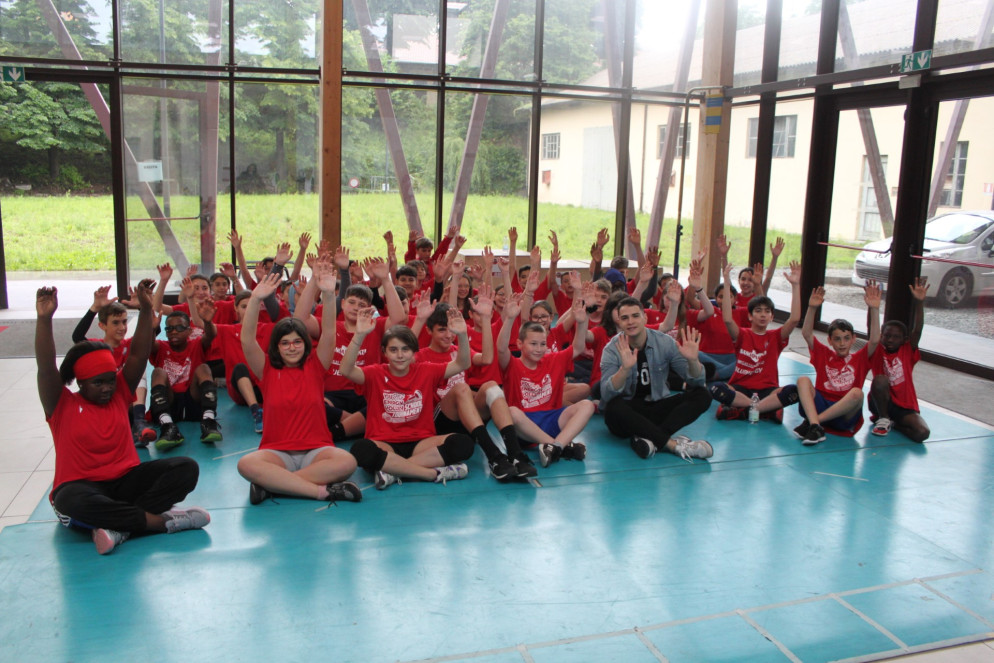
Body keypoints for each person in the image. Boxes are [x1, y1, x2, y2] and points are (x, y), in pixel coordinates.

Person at [36, 281, 209, 555]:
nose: (107, 388)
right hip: (83, 487)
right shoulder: (61, 404)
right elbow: (46, 367)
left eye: (110, 380)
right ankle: (160, 523)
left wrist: (145, 309)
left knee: (186, 468)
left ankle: (119, 527)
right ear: (81, 383)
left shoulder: (119, 393)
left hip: (125, 482)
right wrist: (44, 319)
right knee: (67, 499)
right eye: (98, 383)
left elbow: (139, 353)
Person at [236, 268, 362, 505]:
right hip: (277, 452)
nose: (292, 347)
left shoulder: (316, 365)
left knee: (347, 462)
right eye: (285, 343)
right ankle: (321, 492)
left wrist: (328, 295)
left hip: (316, 450)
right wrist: (255, 299)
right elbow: (247, 339)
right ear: (277, 347)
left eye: (297, 342)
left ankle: (274, 485)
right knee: (246, 464)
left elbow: (329, 333)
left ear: (305, 344)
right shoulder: (266, 369)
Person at [344, 308, 475, 489]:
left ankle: (392, 470)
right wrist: (359, 335)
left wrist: (462, 334)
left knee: (463, 443)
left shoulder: (426, 370)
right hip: (384, 443)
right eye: (393, 350)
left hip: (421, 443)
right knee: (360, 450)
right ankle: (431, 473)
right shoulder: (374, 373)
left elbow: (463, 363)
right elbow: (346, 370)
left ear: (414, 352)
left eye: (405, 349)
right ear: (384, 352)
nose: (400, 355)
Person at [600, 297, 714, 461]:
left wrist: (693, 360)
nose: (630, 322)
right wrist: (624, 369)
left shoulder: (664, 342)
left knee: (703, 394)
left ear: (645, 318)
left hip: (656, 405)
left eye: (635, 316)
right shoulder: (611, 349)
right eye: (625, 318)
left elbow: (695, 381)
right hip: (627, 413)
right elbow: (606, 394)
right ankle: (672, 445)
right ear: (619, 321)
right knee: (613, 407)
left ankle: (650, 438)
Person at [498, 287, 596, 468]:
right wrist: (510, 319)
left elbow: (577, 347)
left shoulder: (553, 359)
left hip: (552, 419)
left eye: (543, 344)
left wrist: (582, 322)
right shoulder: (513, 364)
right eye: (533, 344)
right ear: (520, 344)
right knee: (511, 412)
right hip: (524, 428)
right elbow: (501, 349)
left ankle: (555, 446)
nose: (539, 349)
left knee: (587, 405)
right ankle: (558, 445)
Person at [709, 260, 802, 421]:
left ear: (772, 317)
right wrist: (727, 283)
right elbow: (728, 319)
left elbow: (794, 319)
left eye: (767, 312)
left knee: (794, 391)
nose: (763, 315)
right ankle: (765, 410)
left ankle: (743, 410)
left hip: (768, 390)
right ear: (750, 316)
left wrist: (795, 285)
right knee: (716, 388)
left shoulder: (776, 336)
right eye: (758, 311)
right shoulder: (742, 334)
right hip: (741, 389)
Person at [794, 282, 881, 444]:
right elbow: (806, 333)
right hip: (821, 405)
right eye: (837, 339)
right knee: (803, 380)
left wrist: (874, 309)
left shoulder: (860, 358)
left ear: (853, 339)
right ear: (830, 341)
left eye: (846, 338)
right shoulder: (824, 354)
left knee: (857, 393)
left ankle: (814, 423)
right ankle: (816, 426)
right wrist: (812, 308)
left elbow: (875, 340)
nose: (842, 343)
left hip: (844, 415)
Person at [72, 285, 157, 446]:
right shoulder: (96, 347)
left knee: (140, 368)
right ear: (102, 326)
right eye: (116, 323)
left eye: (124, 322)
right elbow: (77, 337)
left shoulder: (130, 345)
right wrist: (94, 308)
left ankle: (139, 423)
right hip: (104, 403)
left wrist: (143, 308)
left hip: (126, 405)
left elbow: (148, 338)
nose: (122, 327)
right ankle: (136, 425)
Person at [148, 304, 221, 449]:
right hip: (169, 404)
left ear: (189, 331)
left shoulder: (197, 344)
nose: (174, 331)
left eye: (179, 328)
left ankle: (208, 421)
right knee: (158, 372)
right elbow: (147, 345)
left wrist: (207, 322)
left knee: (204, 368)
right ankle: (167, 426)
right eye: (169, 329)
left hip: (193, 401)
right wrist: (151, 329)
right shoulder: (160, 347)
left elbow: (210, 335)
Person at [869, 277, 931, 442]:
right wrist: (872, 307)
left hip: (904, 407)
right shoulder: (877, 350)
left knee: (922, 433)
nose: (890, 339)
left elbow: (918, 329)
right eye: (887, 335)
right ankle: (883, 418)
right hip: (882, 402)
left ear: (905, 340)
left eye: (896, 337)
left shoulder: (907, 351)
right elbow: (871, 331)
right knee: (880, 380)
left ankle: (894, 423)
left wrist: (919, 302)